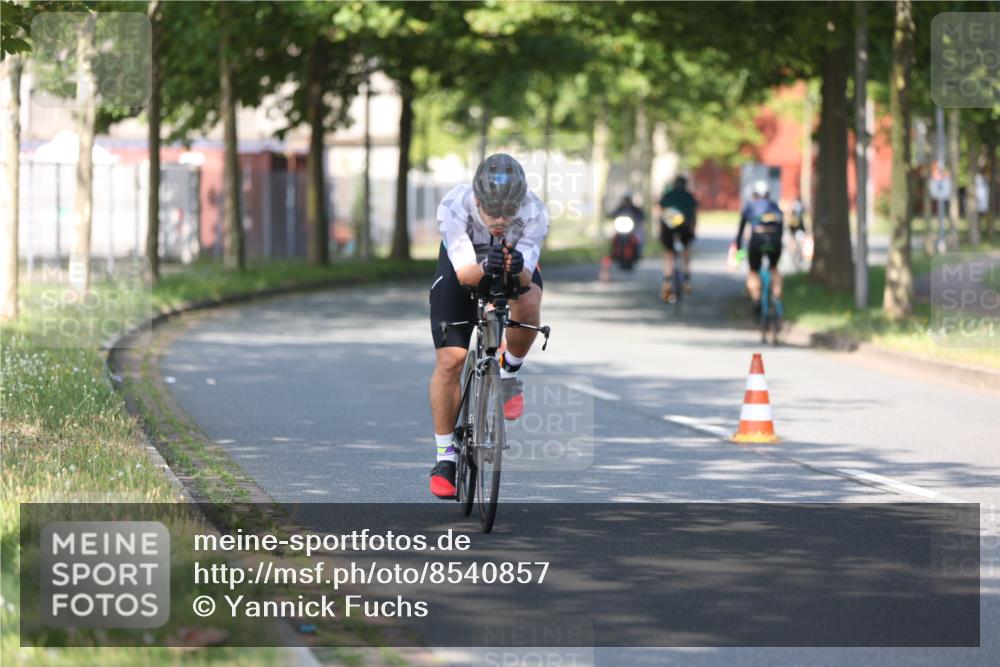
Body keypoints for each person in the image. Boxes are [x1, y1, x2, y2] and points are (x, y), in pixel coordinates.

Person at [427, 153, 549, 498]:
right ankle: (445, 457)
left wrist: (516, 268)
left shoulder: (535, 212)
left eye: (508, 213)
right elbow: (466, 275)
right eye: (492, 212)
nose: (500, 221)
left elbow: (525, 279)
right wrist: (484, 266)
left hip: (513, 264)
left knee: (528, 301)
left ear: (519, 204)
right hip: (463, 267)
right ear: (477, 201)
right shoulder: (455, 205)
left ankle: (508, 373)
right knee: (450, 360)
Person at [734, 180, 784, 314]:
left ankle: (757, 301)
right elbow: (781, 229)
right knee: (774, 268)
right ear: (768, 194)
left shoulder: (750, 207)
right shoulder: (775, 207)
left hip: (757, 241)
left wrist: (739, 248)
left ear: (754, 194)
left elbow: (740, 232)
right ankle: (777, 297)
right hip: (774, 241)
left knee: (753, 271)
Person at [656, 176, 698, 301]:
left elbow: (661, 214)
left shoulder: (667, 196)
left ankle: (667, 282)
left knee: (669, 253)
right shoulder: (689, 197)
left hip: (668, 229)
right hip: (685, 228)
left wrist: (660, 232)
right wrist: (693, 231)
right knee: (685, 251)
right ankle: (686, 280)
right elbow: (694, 217)